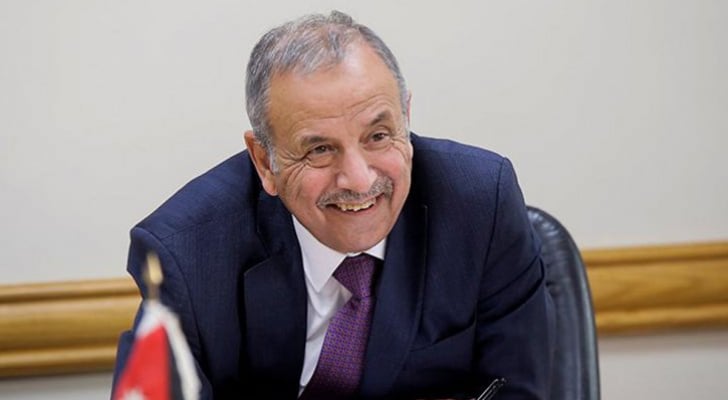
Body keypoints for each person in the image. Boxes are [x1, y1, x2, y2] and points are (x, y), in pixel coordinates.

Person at [113, 10, 554, 400]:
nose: (359, 180)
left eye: (378, 136)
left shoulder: (479, 205)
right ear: (265, 162)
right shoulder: (187, 256)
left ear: (406, 119)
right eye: (320, 150)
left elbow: (520, 388)